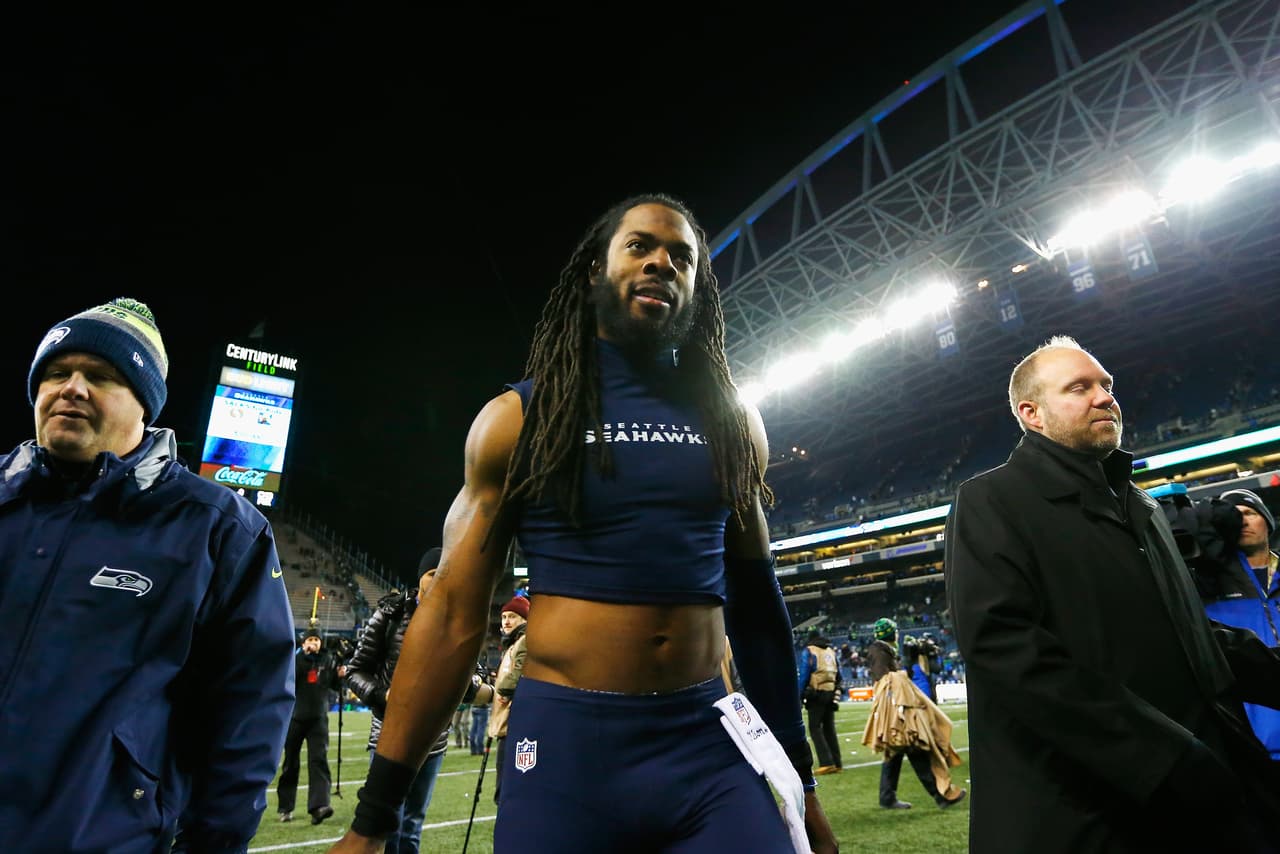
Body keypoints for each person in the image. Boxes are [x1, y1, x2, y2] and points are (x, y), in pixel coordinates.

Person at [330, 193, 837, 853]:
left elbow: (760, 613)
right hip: (569, 751)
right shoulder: (519, 420)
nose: (662, 263)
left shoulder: (732, 423)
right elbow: (453, 617)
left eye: (682, 258)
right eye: (641, 247)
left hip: (707, 747)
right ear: (594, 271)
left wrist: (801, 783)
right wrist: (374, 821)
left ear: (697, 290)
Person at [945, 335, 1280, 853]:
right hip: (1088, 807)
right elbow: (1004, 647)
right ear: (1031, 413)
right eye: (1078, 387)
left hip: (1197, 790)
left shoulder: (1139, 504)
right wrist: (1163, 755)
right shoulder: (992, 499)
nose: (1104, 396)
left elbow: (1184, 628)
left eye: (1106, 385)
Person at [0, 297, 296, 853]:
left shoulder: (216, 529)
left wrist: (212, 842)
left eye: (103, 377)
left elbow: (249, 711)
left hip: (101, 838)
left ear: (144, 407)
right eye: (58, 373)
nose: (73, 388)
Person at [346, 546, 489, 852]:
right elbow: (355, 671)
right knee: (386, 825)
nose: (439, 580)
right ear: (420, 577)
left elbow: (475, 675)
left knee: (412, 825)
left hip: (433, 742)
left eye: (445, 575)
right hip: (388, 735)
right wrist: (384, 696)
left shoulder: (460, 618)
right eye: (432, 574)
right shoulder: (390, 613)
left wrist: (471, 684)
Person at [1195, 488, 1280, 759]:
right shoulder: (1207, 583)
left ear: (1267, 521)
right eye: (1234, 516)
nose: (1242, 521)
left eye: (1249, 513)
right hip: (1253, 736)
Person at [861, 618, 966, 810]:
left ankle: (887, 797)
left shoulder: (880, 650)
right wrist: (908, 663)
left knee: (896, 752)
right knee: (914, 748)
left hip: (893, 708)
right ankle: (940, 796)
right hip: (896, 709)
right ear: (891, 634)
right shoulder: (880, 652)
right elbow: (886, 680)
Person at [277, 629, 347, 825]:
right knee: (291, 762)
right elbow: (290, 680)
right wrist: (305, 656)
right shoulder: (295, 660)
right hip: (295, 718)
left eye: (316, 640)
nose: (314, 643)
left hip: (318, 719)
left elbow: (333, 685)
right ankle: (286, 807)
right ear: (303, 642)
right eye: (310, 639)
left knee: (319, 761)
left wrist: (340, 675)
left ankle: (319, 807)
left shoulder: (327, 660)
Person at [487, 595, 529, 806]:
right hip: (507, 727)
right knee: (505, 793)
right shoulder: (512, 644)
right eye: (504, 617)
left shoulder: (525, 641)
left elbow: (520, 676)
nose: (506, 621)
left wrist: (501, 689)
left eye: (512, 616)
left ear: (524, 619)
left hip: (515, 728)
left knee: (507, 794)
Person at [798, 629, 843, 775]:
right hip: (831, 690)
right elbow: (839, 674)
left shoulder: (810, 651)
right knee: (829, 728)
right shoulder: (831, 651)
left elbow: (805, 673)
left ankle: (826, 762)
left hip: (816, 692)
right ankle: (837, 762)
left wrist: (800, 694)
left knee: (815, 727)